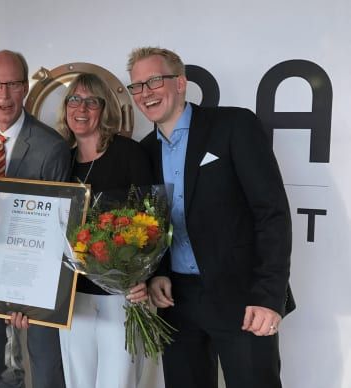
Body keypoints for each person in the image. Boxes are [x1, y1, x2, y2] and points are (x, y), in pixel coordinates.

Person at [127, 46, 295, 388]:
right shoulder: (144, 151)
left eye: (155, 80)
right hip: (178, 301)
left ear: (181, 83)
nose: (146, 93)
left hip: (243, 297)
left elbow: (271, 213)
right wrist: (157, 273)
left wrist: (268, 297)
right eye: (138, 86)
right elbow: (154, 223)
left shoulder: (234, 125)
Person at [0, 49, 70, 388]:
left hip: (35, 279)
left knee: (45, 365)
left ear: (25, 87)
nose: (4, 95)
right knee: (3, 366)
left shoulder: (50, 146)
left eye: (12, 84)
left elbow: (58, 227)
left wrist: (30, 291)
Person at [56, 72, 151, 388]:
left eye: (91, 101)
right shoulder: (61, 160)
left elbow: (152, 220)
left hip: (120, 296)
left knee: (118, 381)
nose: (80, 108)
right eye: (74, 99)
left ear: (105, 108)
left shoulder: (128, 154)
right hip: (72, 298)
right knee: (77, 381)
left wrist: (144, 277)